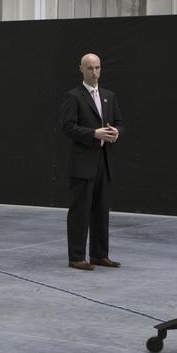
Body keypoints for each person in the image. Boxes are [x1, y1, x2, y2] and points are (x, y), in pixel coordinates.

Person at [60, 52, 123, 271]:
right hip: (82, 164)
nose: (95, 72)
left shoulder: (109, 95)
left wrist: (117, 132)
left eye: (97, 68)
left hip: (103, 163)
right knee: (81, 210)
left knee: (101, 210)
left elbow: (120, 122)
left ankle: (99, 254)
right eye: (90, 68)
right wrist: (93, 134)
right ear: (81, 69)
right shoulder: (74, 96)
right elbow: (67, 126)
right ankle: (76, 257)